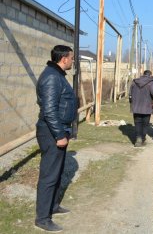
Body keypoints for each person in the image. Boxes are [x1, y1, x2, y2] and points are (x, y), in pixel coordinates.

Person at [35, 45, 76, 232]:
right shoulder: (52, 77)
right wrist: (59, 134)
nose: (73, 61)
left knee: (57, 172)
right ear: (64, 59)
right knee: (49, 176)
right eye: (72, 58)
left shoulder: (56, 75)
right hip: (52, 133)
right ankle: (42, 218)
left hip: (59, 129)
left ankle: (53, 206)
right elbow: (49, 110)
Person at [129, 70, 153, 147]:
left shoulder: (134, 82)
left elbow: (130, 95)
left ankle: (138, 139)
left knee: (138, 123)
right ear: (150, 75)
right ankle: (142, 139)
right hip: (147, 107)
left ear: (143, 74)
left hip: (136, 107)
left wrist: (133, 103)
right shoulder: (151, 83)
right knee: (145, 124)